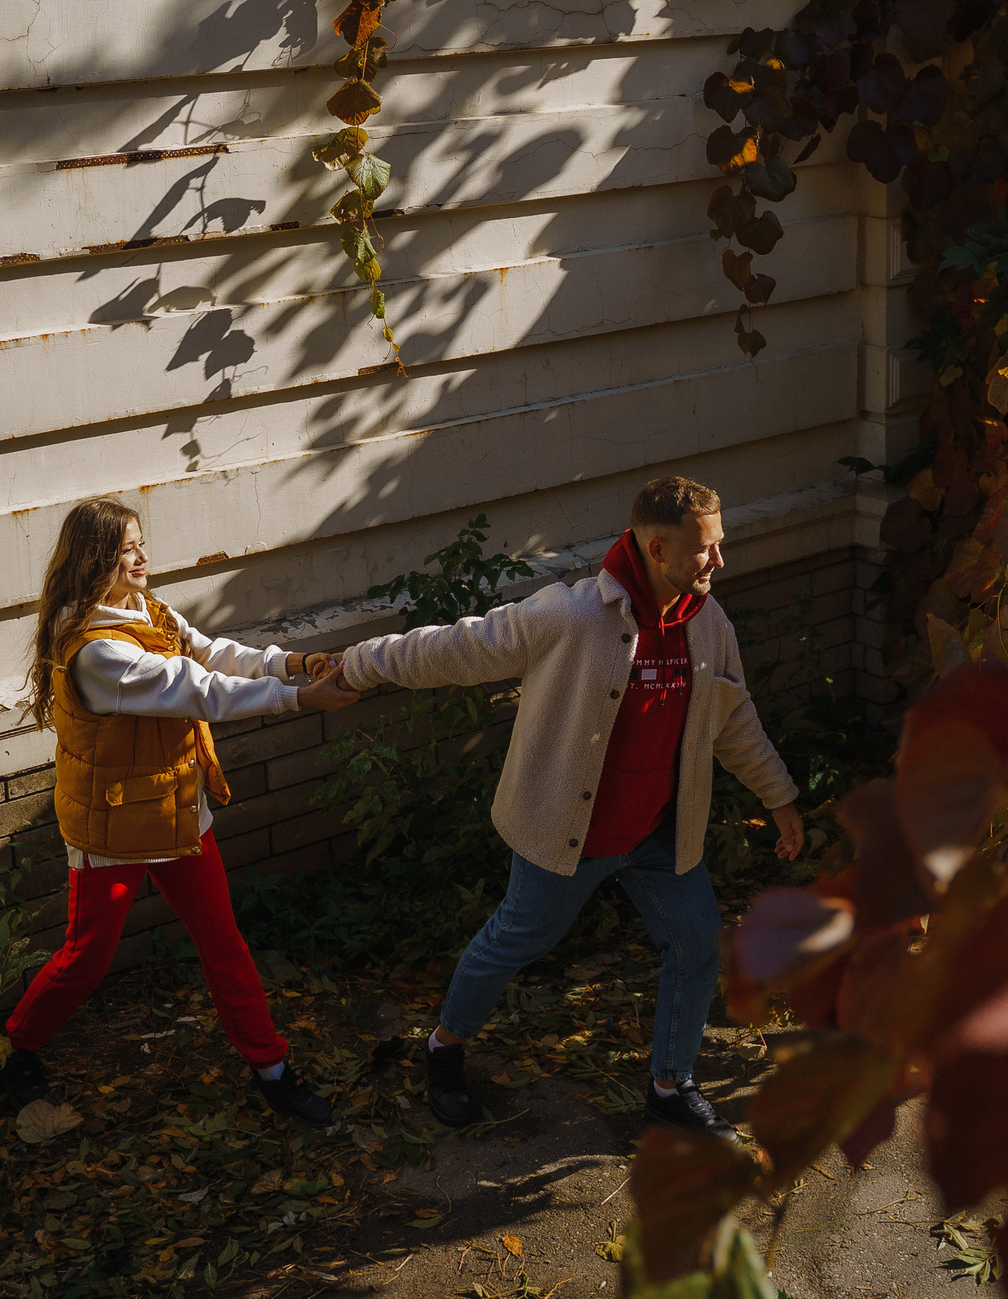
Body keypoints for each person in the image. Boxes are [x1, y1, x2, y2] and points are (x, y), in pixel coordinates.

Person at [335, 475, 803, 1140]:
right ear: (658, 548)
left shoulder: (708, 624)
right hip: (569, 833)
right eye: (706, 549)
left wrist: (779, 794)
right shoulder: (572, 616)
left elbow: (735, 721)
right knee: (515, 940)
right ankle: (444, 1044)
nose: (719, 560)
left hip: (656, 834)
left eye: (719, 544)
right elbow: (455, 646)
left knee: (698, 940)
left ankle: (671, 1086)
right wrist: (355, 664)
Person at [0, 498, 360, 1128]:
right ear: (95, 562)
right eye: (127, 548)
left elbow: (212, 654)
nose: (142, 556)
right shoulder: (95, 652)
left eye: (141, 542)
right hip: (113, 827)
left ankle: (272, 1068)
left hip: (174, 811)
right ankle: (17, 1048)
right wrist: (299, 698)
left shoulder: (145, 610)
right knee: (87, 956)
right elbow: (199, 689)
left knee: (223, 941)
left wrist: (293, 663)